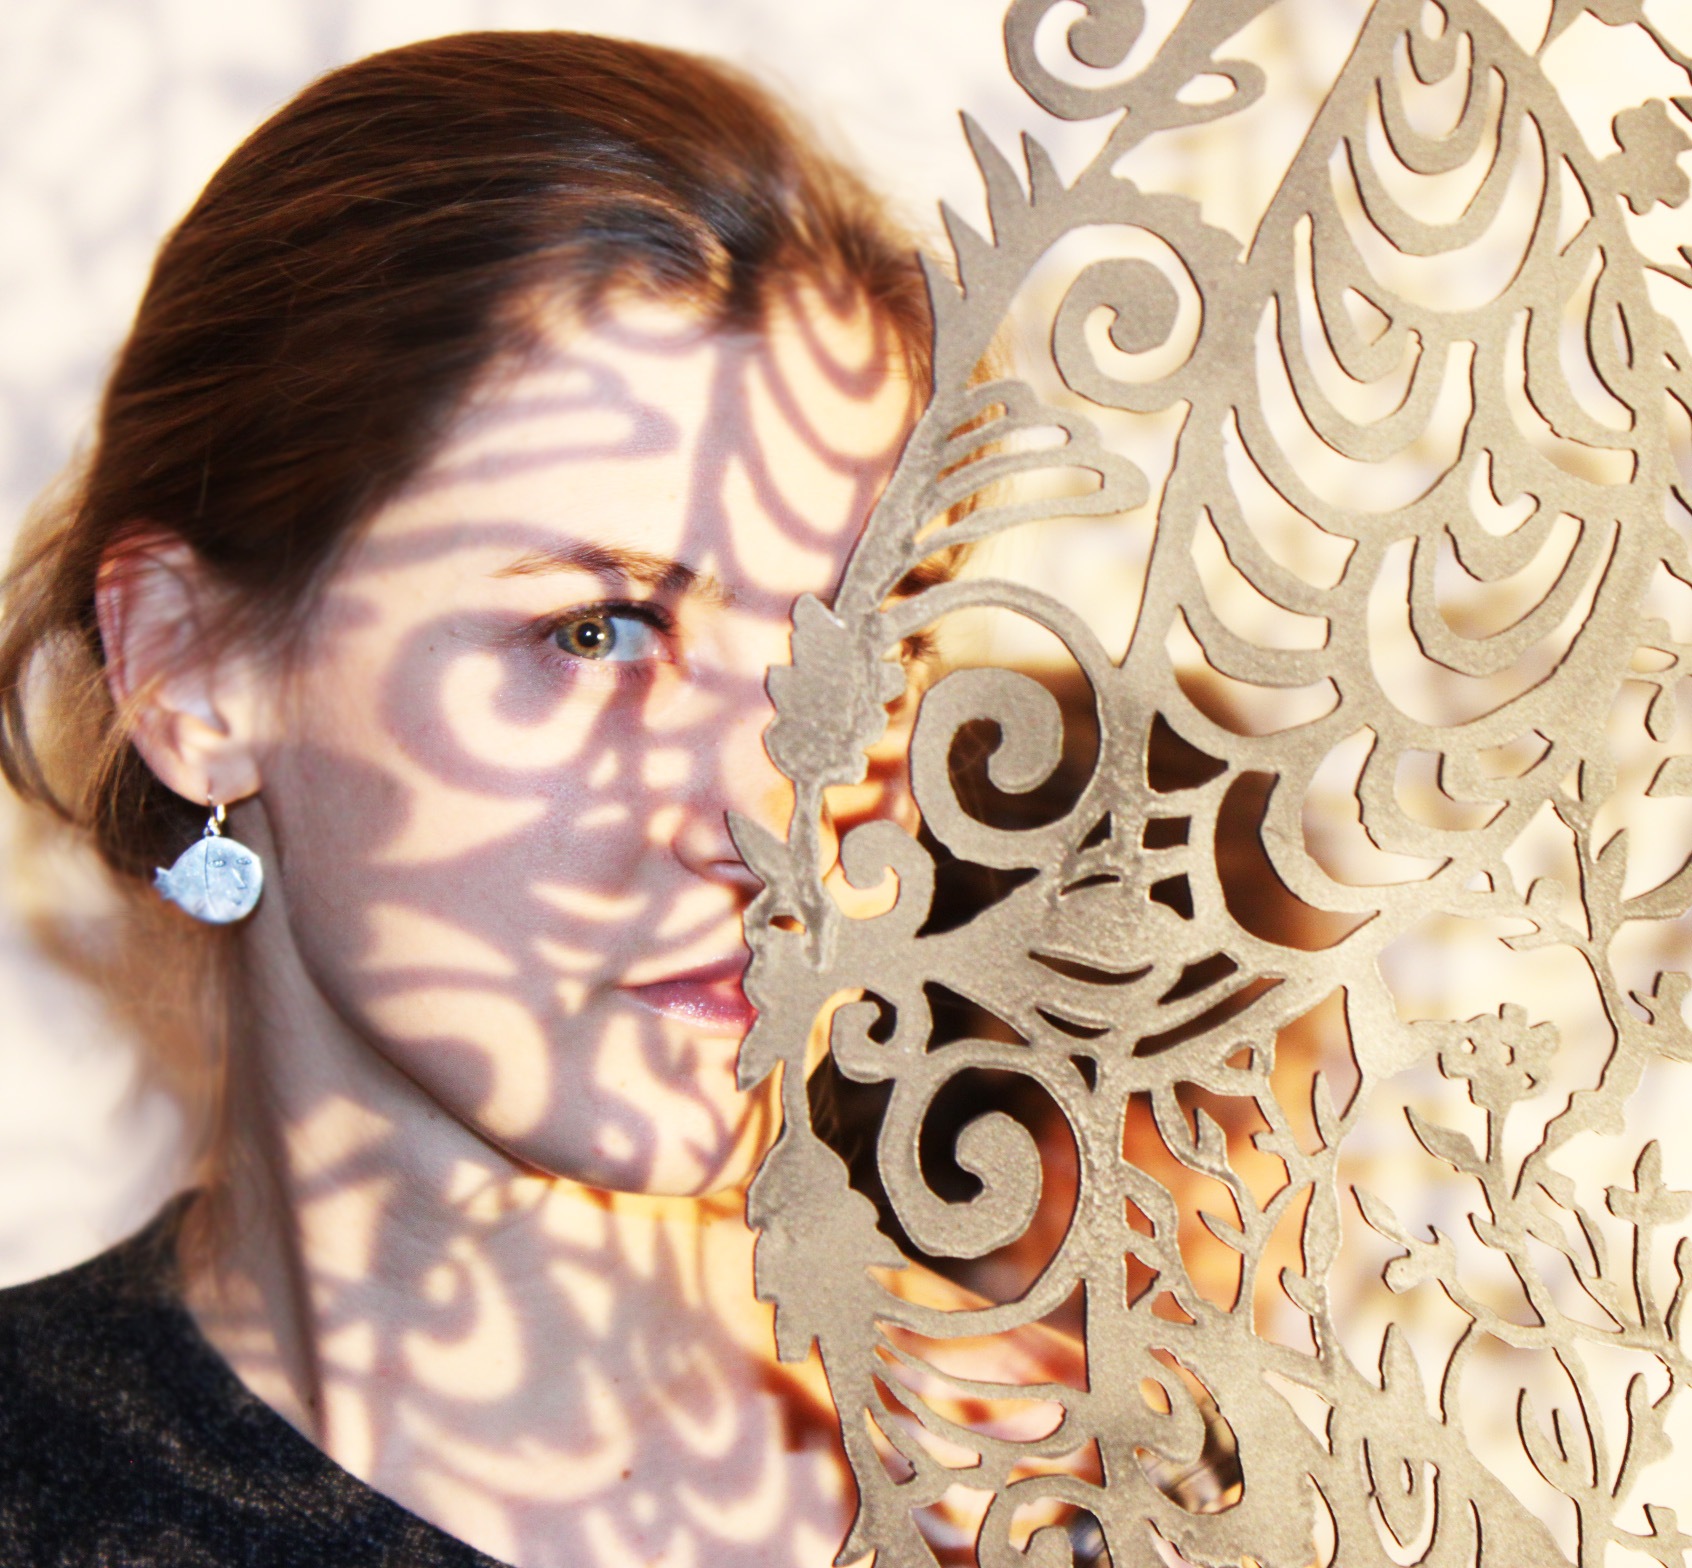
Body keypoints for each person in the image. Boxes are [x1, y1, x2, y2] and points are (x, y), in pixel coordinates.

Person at [0, 31, 946, 1567]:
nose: (781, 814)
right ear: (188, 670)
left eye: (865, 645)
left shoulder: (1076, 1477)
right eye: (597, 633)